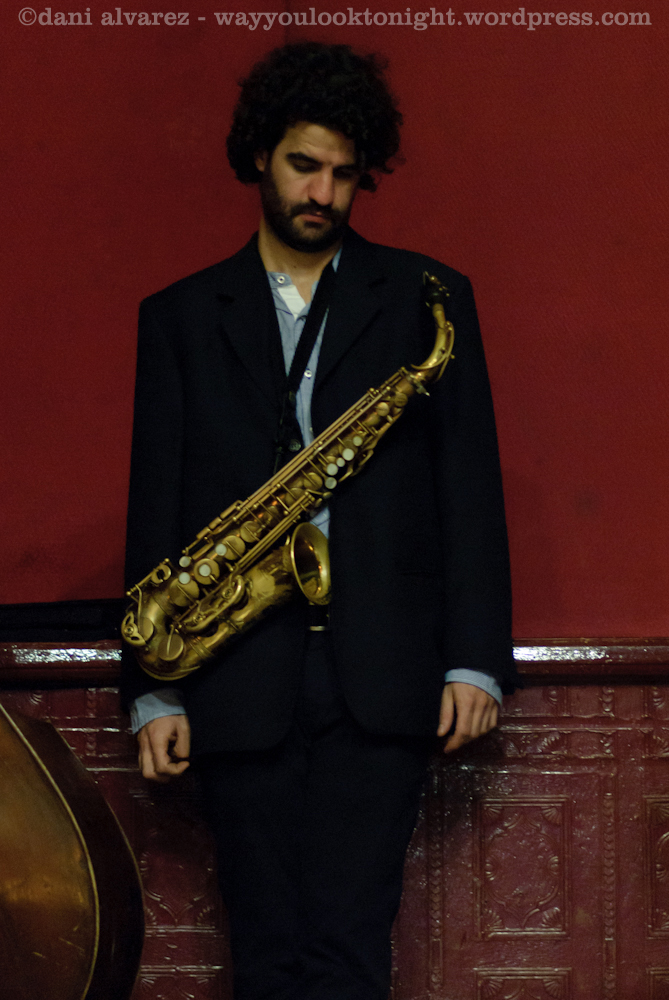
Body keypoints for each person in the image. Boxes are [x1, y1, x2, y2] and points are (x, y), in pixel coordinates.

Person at [122, 41, 520, 1000]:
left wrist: (474, 663)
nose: (323, 194)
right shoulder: (180, 315)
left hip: (380, 675)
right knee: (263, 957)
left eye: (344, 174)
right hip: (233, 670)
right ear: (260, 153)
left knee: (350, 955)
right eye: (304, 166)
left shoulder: (428, 300)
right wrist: (152, 693)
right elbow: (155, 503)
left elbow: (469, 489)